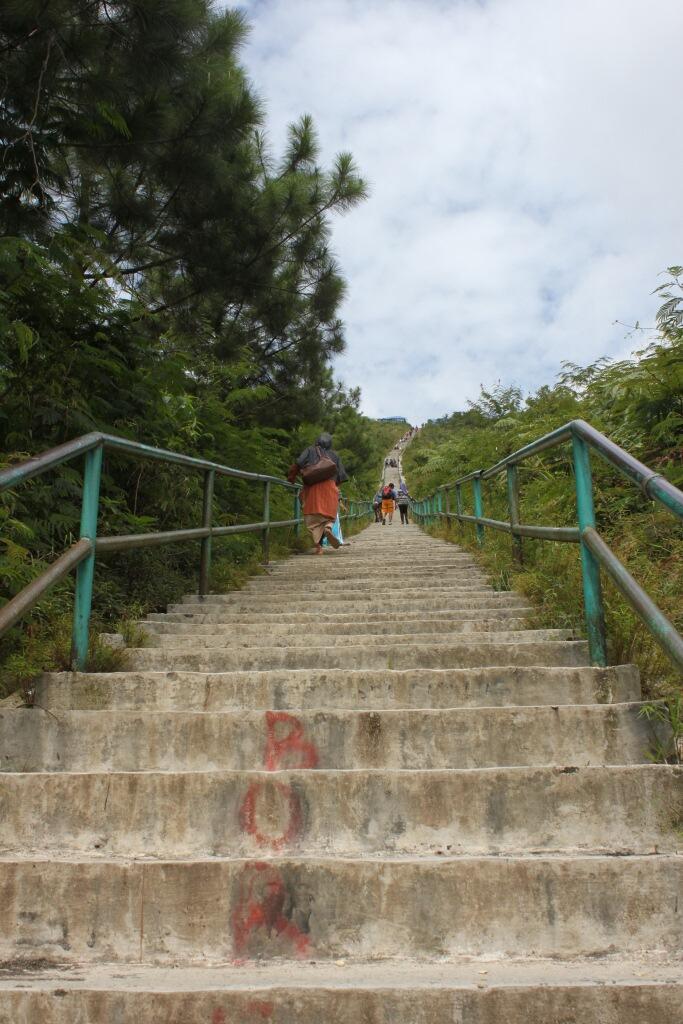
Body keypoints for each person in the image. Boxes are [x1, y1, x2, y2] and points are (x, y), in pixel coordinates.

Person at [288, 433, 348, 554]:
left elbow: (298, 463)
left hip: (312, 488)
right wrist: (335, 489)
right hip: (330, 488)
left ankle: (319, 547)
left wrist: (291, 477)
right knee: (329, 516)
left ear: (317, 441)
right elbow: (341, 476)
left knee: (313, 519)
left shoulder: (310, 450)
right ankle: (328, 528)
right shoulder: (334, 455)